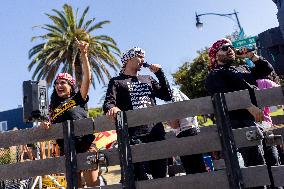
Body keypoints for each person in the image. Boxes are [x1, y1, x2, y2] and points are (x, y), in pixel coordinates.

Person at [205, 38, 281, 189]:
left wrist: (252, 56)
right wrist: (247, 106)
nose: (230, 50)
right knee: (256, 166)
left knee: (273, 162)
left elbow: (266, 70)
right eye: (225, 48)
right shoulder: (214, 75)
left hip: (261, 122)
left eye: (231, 47)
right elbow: (221, 95)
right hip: (240, 124)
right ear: (215, 55)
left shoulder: (242, 69)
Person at [103, 47, 172, 181]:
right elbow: (108, 104)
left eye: (144, 57)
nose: (143, 60)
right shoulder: (117, 81)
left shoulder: (148, 79)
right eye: (140, 56)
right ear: (129, 59)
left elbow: (167, 95)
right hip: (134, 136)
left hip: (156, 133)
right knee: (141, 178)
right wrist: (113, 108)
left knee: (161, 176)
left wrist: (160, 73)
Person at [41, 38, 99, 187]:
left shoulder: (79, 98)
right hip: (67, 151)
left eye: (63, 83)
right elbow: (50, 125)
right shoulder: (52, 108)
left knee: (93, 185)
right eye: (56, 84)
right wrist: (47, 124)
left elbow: (88, 78)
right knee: (75, 186)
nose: (59, 86)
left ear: (71, 86)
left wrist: (84, 53)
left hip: (86, 147)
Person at [167, 87, 207, 175]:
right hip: (193, 130)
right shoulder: (181, 94)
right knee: (200, 166)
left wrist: (168, 121)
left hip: (184, 133)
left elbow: (175, 124)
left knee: (191, 169)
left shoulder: (172, 95)